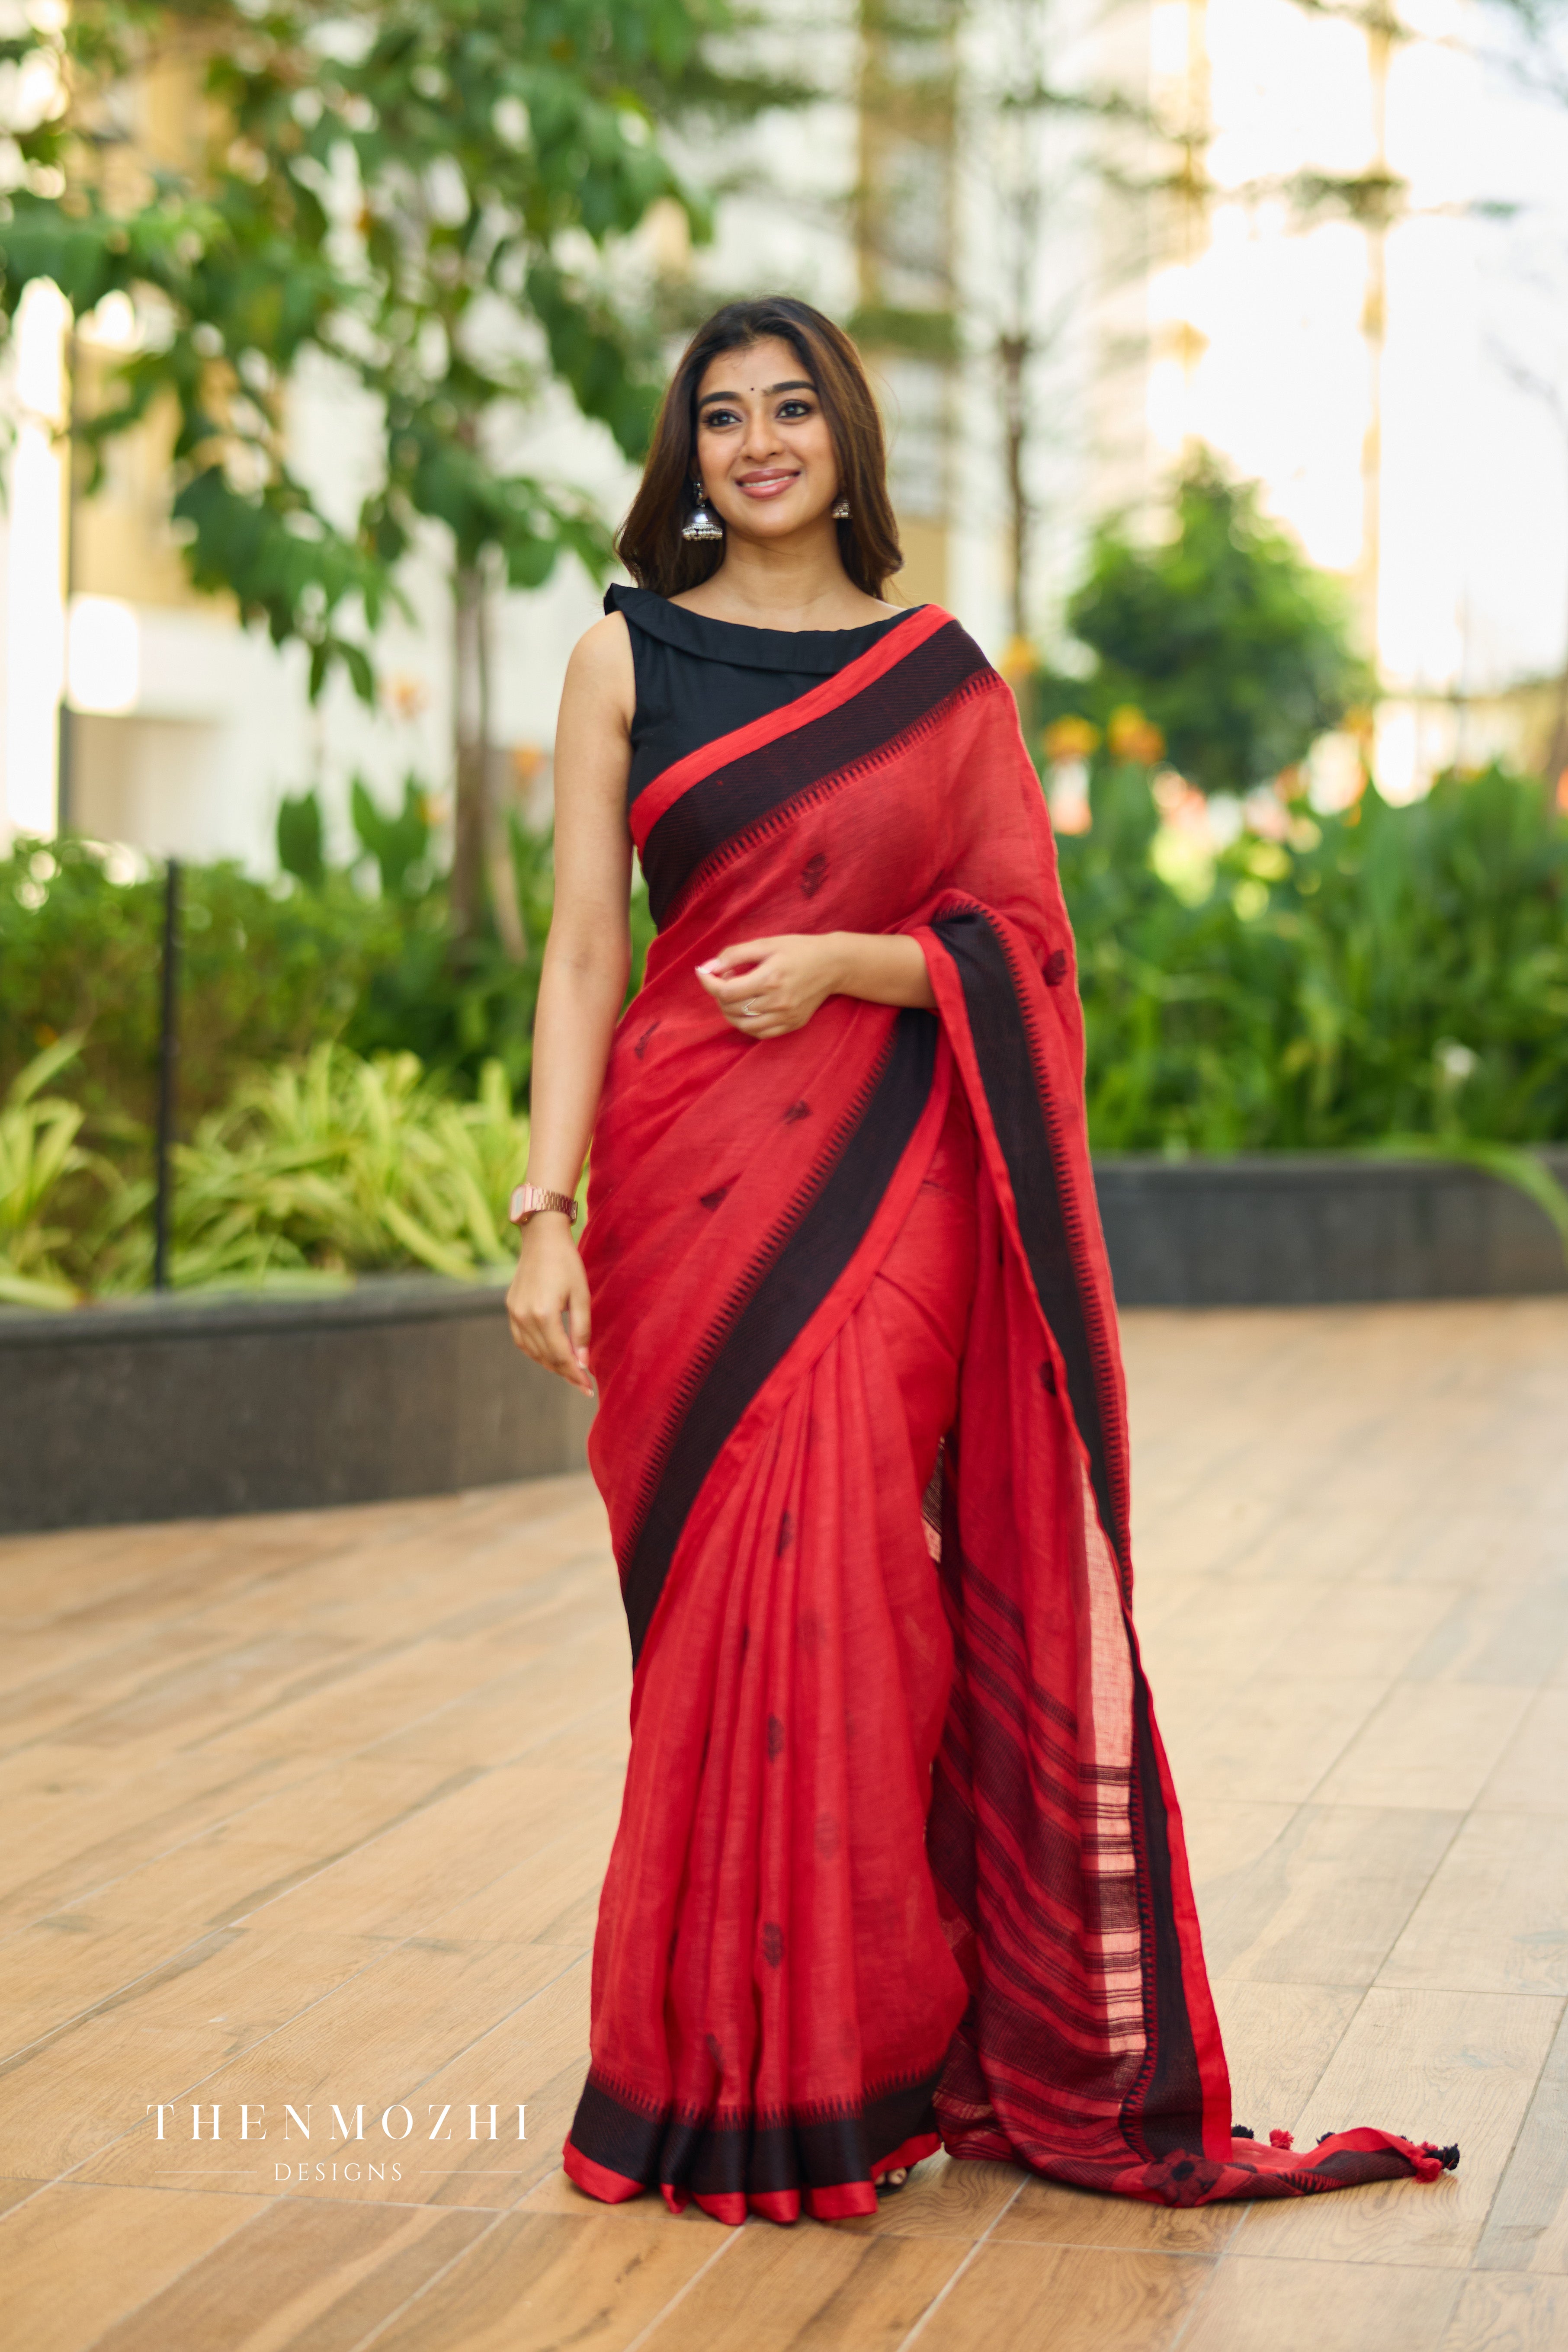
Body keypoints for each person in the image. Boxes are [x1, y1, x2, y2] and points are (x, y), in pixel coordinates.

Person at [505, 297, 1456, 2226]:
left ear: (849, 438)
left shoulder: (940, 676)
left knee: (859, 1585)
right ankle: (698, 2067)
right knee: (711, 1616)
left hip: (888, 1181)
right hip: (684, 1175)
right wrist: (538, 1209)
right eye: (719, 418)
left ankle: (850, 2072)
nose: (757, 442)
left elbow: (1019, 939)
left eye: (790, 408)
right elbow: (585, 952)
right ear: (682, 458)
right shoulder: (622, 656)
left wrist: (860, 967)